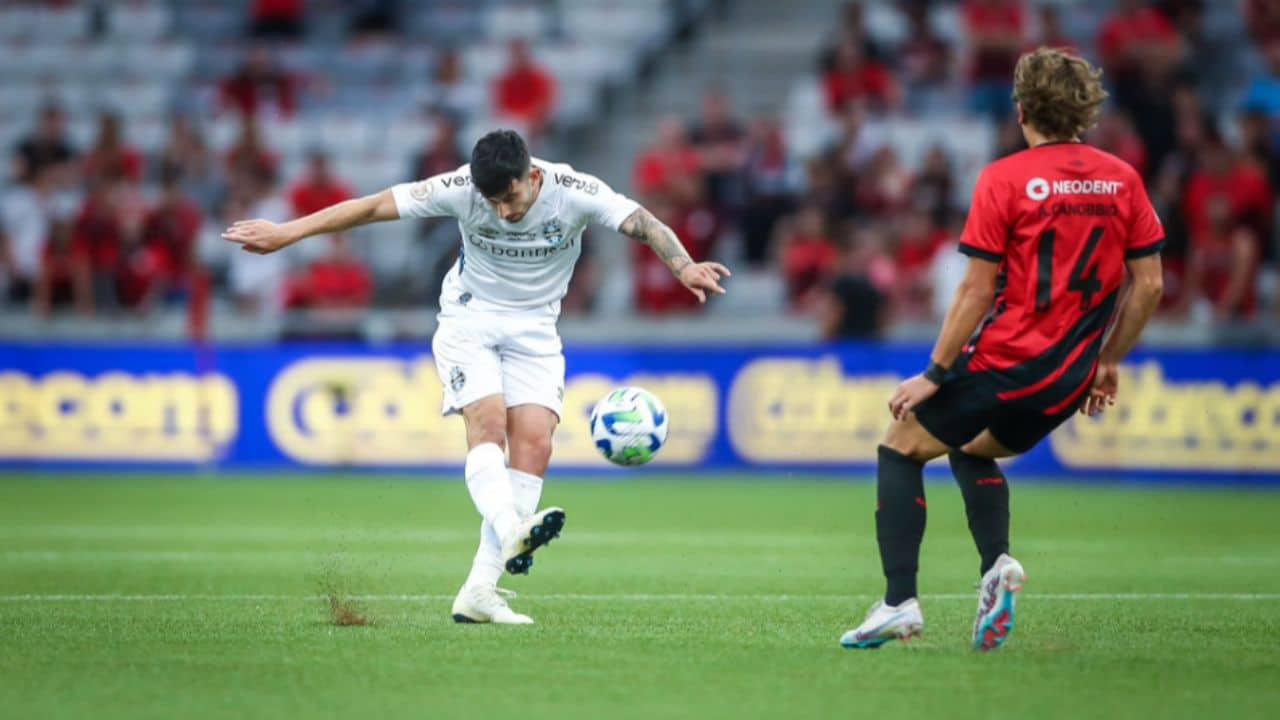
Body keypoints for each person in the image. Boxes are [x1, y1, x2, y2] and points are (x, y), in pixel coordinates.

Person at [222, 129, 730, 625]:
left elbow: (641, 222)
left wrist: (682, 266)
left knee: (535, 444)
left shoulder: (574, 191)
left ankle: (480, 591)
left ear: (531, 175)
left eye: (510, 197)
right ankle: (512, 528)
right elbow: (374, 205)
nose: (504, 211)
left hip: (536, 329)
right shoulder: (462, 188)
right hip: (471, 320)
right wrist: (288, 233)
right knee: (487, 425)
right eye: (494, 202)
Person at [840, 47, 1165, 651]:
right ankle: (997, 567)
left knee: (901, 446)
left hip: (1005, 360)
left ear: (1020, 109)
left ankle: (897, 602)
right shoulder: (1123, 178)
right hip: (1068, 377)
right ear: (1085, 109)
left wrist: (935, 373)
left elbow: (975, 287)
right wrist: (1108, 361)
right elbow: (1149, 283)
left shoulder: (1004, 178)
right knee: (970, 450)